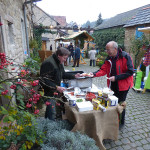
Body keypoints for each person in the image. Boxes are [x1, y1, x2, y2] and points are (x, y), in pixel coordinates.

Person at [90, 41, 134, 125]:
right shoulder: (109, 58)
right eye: (106, 50)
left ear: (115, 49)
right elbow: (103, 70)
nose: (107, 52)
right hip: (112, 84)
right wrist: (94, 74)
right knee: (112, 102)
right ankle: (114, 120)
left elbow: (130, 72)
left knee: (121, 103)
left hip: (123, 85)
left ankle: (121, 121)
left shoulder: (125, 56)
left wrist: (116, 77)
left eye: (108, 50)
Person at [40, 47, 81, 120]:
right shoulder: (48, 63)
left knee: (50, 109)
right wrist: (56, 87)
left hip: (55, 90)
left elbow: (63, 74)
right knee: (52, 111)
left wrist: (74, 76)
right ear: (59, 55)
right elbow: (44, 80)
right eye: (64, 58)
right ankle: (50, 128)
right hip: (49, 91)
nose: (65, 60)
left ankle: (47, 122)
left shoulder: (59, 62)